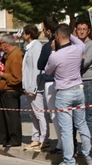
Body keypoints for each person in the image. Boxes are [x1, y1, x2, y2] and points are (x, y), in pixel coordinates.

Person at [46, 24, 92, 165]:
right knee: (82, 124)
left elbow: (48, 70)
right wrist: (68, 33)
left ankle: (68, 162)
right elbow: (77, 40)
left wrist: (53, 50)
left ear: (57, 37)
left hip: (64, 92)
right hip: (78, 89)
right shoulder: (79, 48)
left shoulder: (56, 55)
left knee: (66, 128)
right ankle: (88, 154)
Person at [0, 34, 23, 147]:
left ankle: (14, 139)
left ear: (5, 45)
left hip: (11, 90)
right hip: (4, 89)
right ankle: (1, 137)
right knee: (1, 116)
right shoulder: (9, 55)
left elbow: (17, 78)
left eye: (1, 44)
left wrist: (3, 75)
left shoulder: (16, 56)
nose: (0, 47)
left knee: (12, 116)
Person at [22, 25, 50, 152]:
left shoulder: (36, 47)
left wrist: (33, 88)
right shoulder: (29, 48)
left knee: (39, 114)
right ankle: (35, 138)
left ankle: (44, 139)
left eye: (24, 33)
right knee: (33, 114)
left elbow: (36, 69)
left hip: (35, 87)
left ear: (29, 34)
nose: (22, 35)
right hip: (29, 86)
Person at [38, 16, 62, 154]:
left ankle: (60, 143)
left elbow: (40, 65)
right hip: (68, 81)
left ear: (48, 30)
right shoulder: (68, 43)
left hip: (51, 82)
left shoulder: (48, 46)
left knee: (55, 114)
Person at [75, 19, 92, 140]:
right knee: (76, 116)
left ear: (88, 31)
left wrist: (77, 60)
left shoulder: (90, 45)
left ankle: (89, 146)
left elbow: (85, 63)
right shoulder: (74, 45)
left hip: (88, 81)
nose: (82, 32)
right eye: (79, 29)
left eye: (84, 29)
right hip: (75, 82)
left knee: (88, 116)